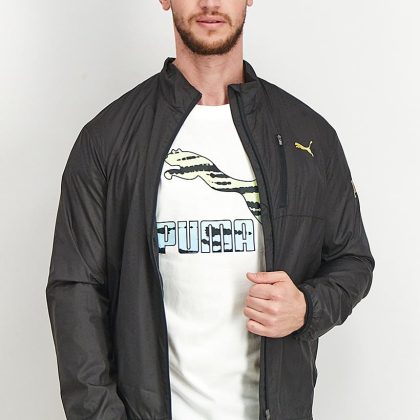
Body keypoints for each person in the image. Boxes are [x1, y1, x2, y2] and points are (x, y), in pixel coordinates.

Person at [45, 1, 375, 419]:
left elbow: (352, 260)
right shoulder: (107, 140)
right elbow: (76, 294)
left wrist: (308, 307)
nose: (210, 3)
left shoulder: (308, 137)